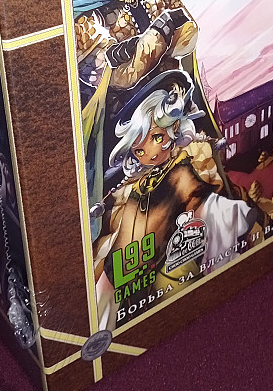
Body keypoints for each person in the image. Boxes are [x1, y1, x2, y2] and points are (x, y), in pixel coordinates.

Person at [67, 0, 200, 240]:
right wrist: (160, 32)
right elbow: (115, 72)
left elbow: (187, 36)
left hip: (171, 109)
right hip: (120, 131)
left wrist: (166, 33)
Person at [93, 72, 259, 329]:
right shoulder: (134, 185)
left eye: (157, 137)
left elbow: (207, 202)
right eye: (139, 149)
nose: (149, 153)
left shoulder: (186, 165)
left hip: (175, 264)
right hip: (128, 271)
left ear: (173, 129)